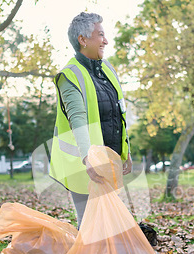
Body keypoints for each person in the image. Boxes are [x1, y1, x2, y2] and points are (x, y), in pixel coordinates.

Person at [49, 12, 132, 227]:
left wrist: (126, 151)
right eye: (100, 35)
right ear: (83, 40)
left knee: (111, 226)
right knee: (90, 226)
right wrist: (89, 159)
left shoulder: (108, 70)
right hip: (84, 165)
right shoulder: (69, 75)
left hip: (109, 162)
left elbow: (119, 112)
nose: (106, 40)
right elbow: (78, 120)